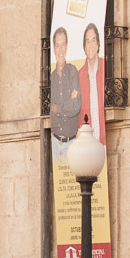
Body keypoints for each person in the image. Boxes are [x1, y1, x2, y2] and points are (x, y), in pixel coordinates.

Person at [49, 26, 81, 159]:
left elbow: (76, 106)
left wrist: (58, 108)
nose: (60, 49)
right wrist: (68, 102)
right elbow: (50, 107)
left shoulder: (73, 71)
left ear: (67, 46)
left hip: (72, 143)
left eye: (63, 45)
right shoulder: (51, 78)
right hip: (55, 143)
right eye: (57, 45)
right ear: (54, 48)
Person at [77, 22, 106, 145]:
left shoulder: (105, 66)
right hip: (88, 145)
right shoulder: (79, 75)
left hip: (104, 140)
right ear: (84, 47)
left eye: (93, 41)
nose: (90, 45)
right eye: (87, 42)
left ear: (98, 45)